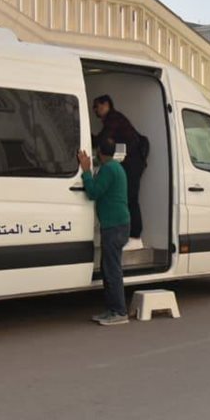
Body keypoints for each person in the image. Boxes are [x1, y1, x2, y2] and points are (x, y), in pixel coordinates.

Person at [78, 136, 131, 325]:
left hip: (114, 226)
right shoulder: (115, 167)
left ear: (99, 152)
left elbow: (93, 192)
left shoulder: (108, 169)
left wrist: (86, 171)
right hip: (117, 225)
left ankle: (119, 312)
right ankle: (111, 310)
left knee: (112, 270)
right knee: (108, 268)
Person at [91, 95, 147, 251]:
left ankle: (135, 237)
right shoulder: (114, 119)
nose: (95, 110)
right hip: (129, 163)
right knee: (127, 198)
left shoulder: (113, 119)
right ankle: (130, 236)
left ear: (106, 104)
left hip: (133, 163)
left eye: (96, 106)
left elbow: (102, 140)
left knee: (131, 198)